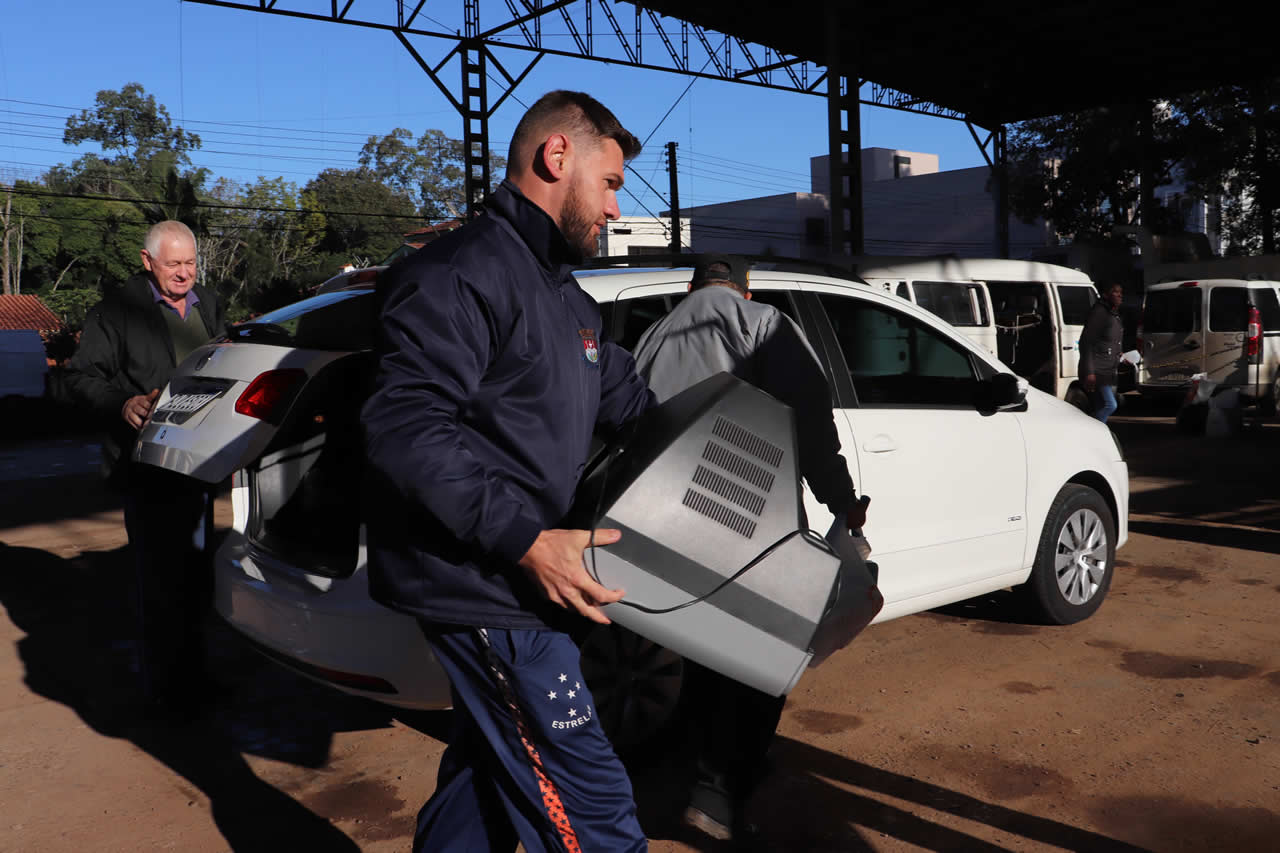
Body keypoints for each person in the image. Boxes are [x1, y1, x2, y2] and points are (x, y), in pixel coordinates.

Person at [360, 90, 654, 853]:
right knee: (594, 806)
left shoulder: (568, 300)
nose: (617, 210)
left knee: (488, 779)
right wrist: (527, 538)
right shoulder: (458, 273)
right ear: (557, 157)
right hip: (486, 581)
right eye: (612, 185)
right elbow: (405, 428)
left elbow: (637, 404)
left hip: (519, 575)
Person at [631, 254, 866, 843]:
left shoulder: (654, 334)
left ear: (690, 286)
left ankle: (701, 777)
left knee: (695, 648)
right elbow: (811, 425)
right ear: (746, 289)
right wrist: (841, 498)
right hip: (742, 516)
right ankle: (718, 792)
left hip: (657, 516)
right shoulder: (764, 325)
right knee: (766, 653)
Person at [62, 220, 227, 716]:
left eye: (191, 263)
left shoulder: (211, 305)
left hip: (198, 465)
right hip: (148, 467)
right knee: (160, 585)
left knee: (197, 578)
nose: (184, 273)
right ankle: (170, 695)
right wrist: (123, 403)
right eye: (173, 263)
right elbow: (79, 377)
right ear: (147, 261)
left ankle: (195, 679)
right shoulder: (116, 312)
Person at [1079, 282, 1126, 422]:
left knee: (1101, 406)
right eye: (1115, 292)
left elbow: (1111, 341)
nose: (1120, 295)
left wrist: (1120, 354)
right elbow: (1086, 343)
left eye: (1120, 292)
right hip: (1098, 371)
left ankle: (1094, 436)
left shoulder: (1113, 314)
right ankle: (1093, 432)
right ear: (1105, 294)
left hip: (1108, 370)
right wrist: (1089, 372)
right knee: (1110, 405)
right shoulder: (1099, 313)